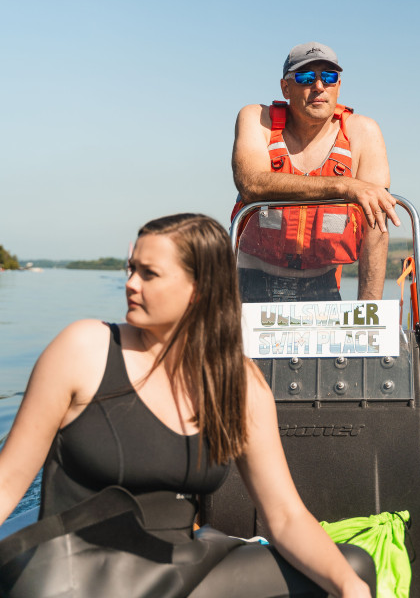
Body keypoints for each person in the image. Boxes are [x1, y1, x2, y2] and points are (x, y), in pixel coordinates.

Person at [0, 214, 375, 598]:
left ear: (199, 290)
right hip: (75, 575)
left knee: (352, 567)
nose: (130, 283)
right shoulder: (84, 348)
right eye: (132, 269)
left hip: (176, 569)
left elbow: (285, 516)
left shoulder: (240, 385)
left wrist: (349, 587)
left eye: (149, 274)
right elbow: (8, 480)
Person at [232, 41, 400, 302]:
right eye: (306, 77)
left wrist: (369, 315)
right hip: (249, 281)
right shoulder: (256, 119)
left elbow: (377, 225)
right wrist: (344, 186)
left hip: (322, 288)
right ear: (286, 87)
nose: (319, 86)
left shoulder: (364, 132)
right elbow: (251, 184)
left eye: (329, 77)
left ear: (339, 87)